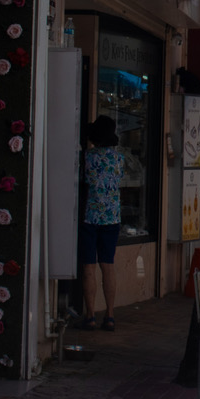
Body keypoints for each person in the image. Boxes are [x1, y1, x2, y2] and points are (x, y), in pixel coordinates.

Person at [79, 115, 124, 331]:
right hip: (112, 217)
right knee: (108, 265)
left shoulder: (88, 157)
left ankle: (89, 315)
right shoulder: (118, 159)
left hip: (89, 216)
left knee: (89, 266)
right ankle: (111, 314)